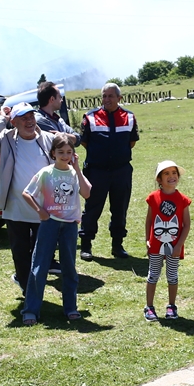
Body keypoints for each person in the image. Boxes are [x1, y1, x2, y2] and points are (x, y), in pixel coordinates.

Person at [0, 102, 56, 294]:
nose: (29, 121)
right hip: (15, 208)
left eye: (31, 116)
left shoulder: (47, 139)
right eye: (23, 118)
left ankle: (34, 285)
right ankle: (27, 288)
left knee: (42, 252)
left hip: (42, 209)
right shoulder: (6, 140)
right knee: (20, 252)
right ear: (13, 122)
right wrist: (2, 119)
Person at [20, 133, 92, 325]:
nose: (65, 156)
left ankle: (70, 308)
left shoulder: (74, 174)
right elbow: (27, 193)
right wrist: (40, 211)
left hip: (69, 225)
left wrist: (77, 168)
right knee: (40, 266)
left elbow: (86, 193)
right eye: (61, 152)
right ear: (53, 153)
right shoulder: (46, 173)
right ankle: (31, 310)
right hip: (50, 223)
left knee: (69, 267)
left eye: (69, 152)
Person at [79, 83, 140, 260]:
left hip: (121, 171)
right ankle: (86, 246)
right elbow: (84, 142)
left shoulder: (129, 117)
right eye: (104, 96)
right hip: (97, 171)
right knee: (92, 208)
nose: (106, 99)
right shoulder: (90, 117)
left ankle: (117, 245)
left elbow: (131, 142)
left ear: (119, 98)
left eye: (110, 96)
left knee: (120, 208)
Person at [143, 160, 191, 322]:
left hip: (174, 246)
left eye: (174, 173)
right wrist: (147, 240)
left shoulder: (183, 200)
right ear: (159, 179)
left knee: (172, 276)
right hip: (156, 245)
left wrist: (179, 245)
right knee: (153, 274)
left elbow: (186, 225)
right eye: (166, 173)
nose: (171, 176)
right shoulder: (153, 197)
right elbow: (149, 221)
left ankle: (171, 306)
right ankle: (149, 307)